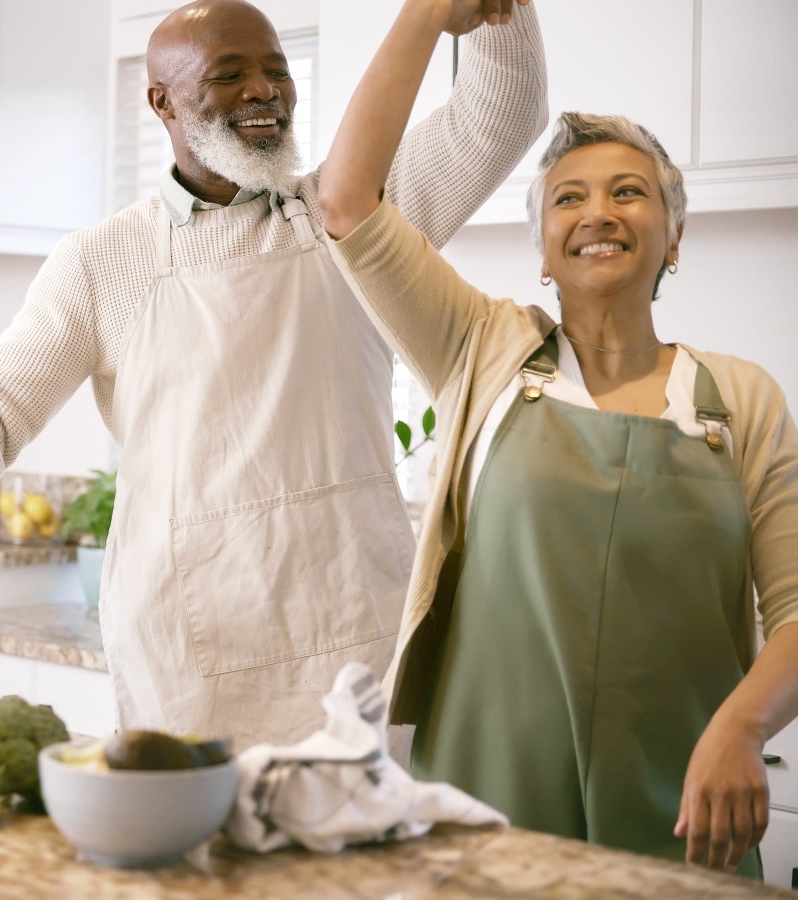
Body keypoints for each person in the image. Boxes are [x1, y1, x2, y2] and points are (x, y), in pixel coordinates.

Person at [0, 0, 547, 751]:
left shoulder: (356, 206)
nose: (264, 91)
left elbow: (503, 112)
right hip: (188, 662)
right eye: (229, 74)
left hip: (359, 641)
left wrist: (500, 8)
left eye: (275, 70)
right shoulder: (101, 261)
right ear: (161, 102)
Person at [318, 0, 798, 877]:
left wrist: (742, 724)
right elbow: (347, 198)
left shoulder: (741, 401)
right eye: (568, 198)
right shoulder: (482, 348)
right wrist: (427, 14)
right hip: (483, 810)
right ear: (543, 246)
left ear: (675, 238)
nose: (598, 213)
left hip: (684, 810)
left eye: (630, 192)